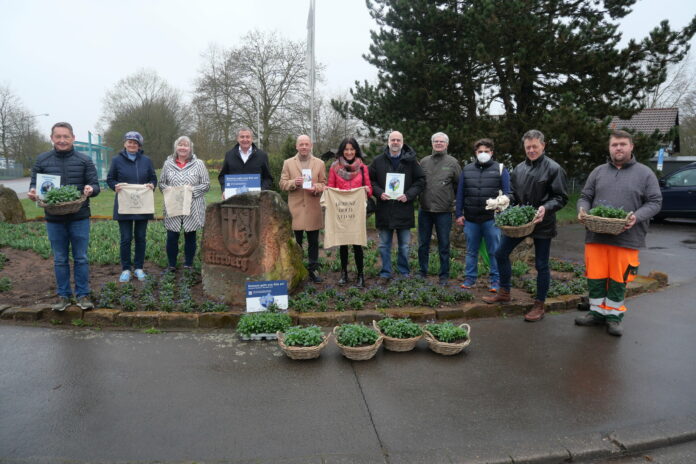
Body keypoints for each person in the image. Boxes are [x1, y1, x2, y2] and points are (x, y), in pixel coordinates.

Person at [575, 130, 662, 336]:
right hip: (596, 236)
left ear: (631, 147)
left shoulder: (645, 173)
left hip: (627, 238)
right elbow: (585, 196)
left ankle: (614, 317)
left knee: (618, 279)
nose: (618, 148)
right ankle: (596, 313)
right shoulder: (598, 172)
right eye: (615, 145)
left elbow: (655, 202)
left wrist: (637, 217)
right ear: (609, 148)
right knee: (595, 277)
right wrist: (582, 209)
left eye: (623, 144)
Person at [482, 130, 568, 323]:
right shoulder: (519, 169)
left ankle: (539, 304)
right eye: (528, 147)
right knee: (500, 253)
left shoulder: (553, 169)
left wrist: (546, 207)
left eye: (534, 147)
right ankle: (504, 292)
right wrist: (505, 199)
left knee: (541, 264)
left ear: (543, 146)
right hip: (521, 222)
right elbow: (514, 194)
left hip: (543, 222)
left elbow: (561, 197)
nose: (531, 150)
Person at [27, 122, 100, 311]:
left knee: (81, 257)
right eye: (58, 136)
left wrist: (91, 189)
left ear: (73, 138)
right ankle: (64, 296)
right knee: (60, 259)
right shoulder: (42, 160)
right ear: (52, 138)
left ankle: (83, 295)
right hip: (54, 218)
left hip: (79, 216)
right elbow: (34, 185)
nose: (62, 140)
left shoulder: (84, 160)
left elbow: (95, 185)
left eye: (65, 136)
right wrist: (33, 191)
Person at [455, 138, 511, 292]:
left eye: (486, 151)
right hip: (471, 219)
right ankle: (470, 279)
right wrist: (459, 214)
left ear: (492, 153)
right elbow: (460, 194)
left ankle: (495, 281)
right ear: (475, 153)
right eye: (480, 151)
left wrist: (501, 203)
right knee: (471, 251)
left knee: (494, 251)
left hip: (491, 219)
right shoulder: (467, 170)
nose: (483, 154)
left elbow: (508, 193)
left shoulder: (500, 169)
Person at [369, 131, 426, 280]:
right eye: (392, 139)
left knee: (404, 246)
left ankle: (403, 271)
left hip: (404, 208)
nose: (395, 142)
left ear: (402, 142)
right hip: (384, 208)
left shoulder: (411, 161)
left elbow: (420, 181)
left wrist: (409, 195)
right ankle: (386, 272)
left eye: (398, 140)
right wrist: (379, 192)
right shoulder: (378, 161)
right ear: (388, 142)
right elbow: (371, 181)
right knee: (384, 245)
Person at [106, 131, 157, 282]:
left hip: (143, 205)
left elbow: (154, 179)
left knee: (141, 237)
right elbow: (110, 179)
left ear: (139, 145)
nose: (132, 144)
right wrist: (115, 186)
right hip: (124, 206)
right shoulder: (116, 160)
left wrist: (151, 185)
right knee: (126, 238)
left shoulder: (147, 161)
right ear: (124, 144)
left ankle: (139, 268)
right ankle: (126, 269)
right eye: (129, 141)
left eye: (135, 142)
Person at [159, 136, 210, 272]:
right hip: (173, 205)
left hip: (192, 206)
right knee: (172, 235)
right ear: (176, 147)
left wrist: (190, 191)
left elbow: (206, 185)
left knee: (190, 235)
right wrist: (168, 190)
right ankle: (171, 265)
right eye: (180, 145)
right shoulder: (168, 164)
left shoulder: (199, 164)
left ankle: (188, 264)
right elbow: (161, 183)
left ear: (190, 148)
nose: (183, 147)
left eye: (186, 145)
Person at [280, 135, 327, 283]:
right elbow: (282, 183)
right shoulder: (288, 163)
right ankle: (297, 269)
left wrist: (316, 188)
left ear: (311, 146)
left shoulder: (319, 163)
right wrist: (294, 182)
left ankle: (313, 270)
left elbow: (324, 184)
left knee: (313, 242)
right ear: (296, 146)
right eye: (301, 144)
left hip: (313, 207)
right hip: (296, 209)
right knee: (297, 242)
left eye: (307, 144)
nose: (304, 147)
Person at [328, 137, 373, 288]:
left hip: (356, 211)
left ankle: (360, 275)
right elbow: (330, 187)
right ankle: (344, 273)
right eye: (346, 149)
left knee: (357, 243)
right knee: (343, 244)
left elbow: (369, 188)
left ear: (356, 151)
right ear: (342, 151)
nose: (349, 152)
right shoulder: (334, 167)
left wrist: (367, 191)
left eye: (352, 149)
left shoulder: (363, 168)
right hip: (341, 211)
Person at [418, 132, 461, 285]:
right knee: (423, 244)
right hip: (425, 210)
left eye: (441, 142)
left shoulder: (453, 163)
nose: (438, 144)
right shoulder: (423, 162)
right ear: (432, 144)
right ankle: (422, 273)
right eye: (436, 141)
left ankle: (444, 276)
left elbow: (458, 185)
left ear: (446, 144)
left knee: (444, 244)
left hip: (444, 211)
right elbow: (418, 182)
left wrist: (453, 202)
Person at [217, 127, 273, 197]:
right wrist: (225, 190)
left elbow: (268, 178)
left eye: (248, 137)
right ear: (237, 139)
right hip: (234, 199)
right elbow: (222, 176)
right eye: (242, 137)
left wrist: (261, 191)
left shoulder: (262, 155)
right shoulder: (229, 155)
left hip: (256, 200)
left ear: (252, 139)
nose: (245, 139)